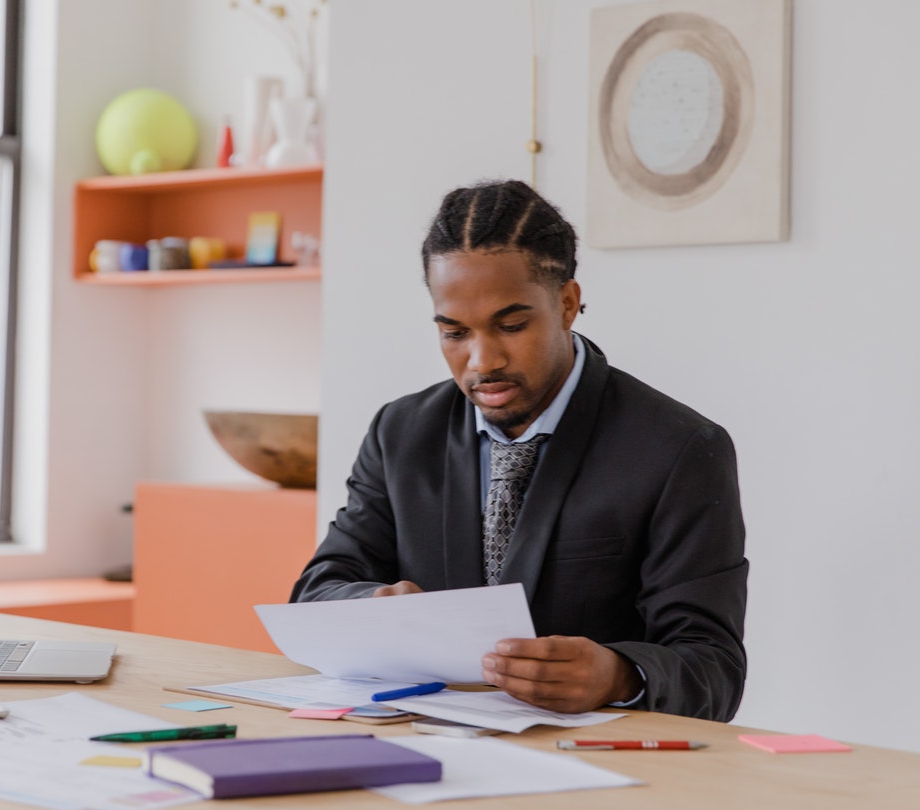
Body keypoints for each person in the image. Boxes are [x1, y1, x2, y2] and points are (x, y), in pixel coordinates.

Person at [290, 179, 748, 722]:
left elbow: (713, 667)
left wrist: (619, 674)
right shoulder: (402, 433)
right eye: (454, 333)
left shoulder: (680, 450)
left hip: (599, 774)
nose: (482, 361)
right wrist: (370, 607)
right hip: (425, 751)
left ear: (568, 304)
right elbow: (319, 591)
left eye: (511, 325)